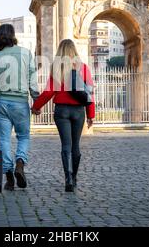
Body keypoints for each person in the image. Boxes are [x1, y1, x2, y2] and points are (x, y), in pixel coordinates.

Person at [31, 39, 95, 192]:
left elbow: (48, 92)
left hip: (62, 111)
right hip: (78, 111)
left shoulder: (57, 68)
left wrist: (35, 107)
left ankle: (68, 178)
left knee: (66, 145)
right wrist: (90, 114)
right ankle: (74, 178)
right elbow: (89, 93)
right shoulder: (83, 68)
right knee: (76, 145)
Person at [0, 24, 39, 191]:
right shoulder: (26, 53)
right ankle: (20, 163)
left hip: (2, 103)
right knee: (23, 136)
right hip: (20, 102)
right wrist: (36, 101)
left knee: (5, 139)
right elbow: (32, 81)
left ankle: (8, 176)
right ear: (13, 35)